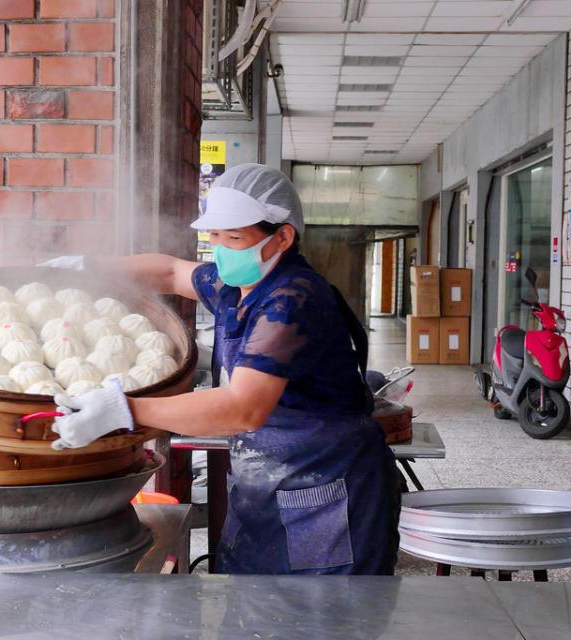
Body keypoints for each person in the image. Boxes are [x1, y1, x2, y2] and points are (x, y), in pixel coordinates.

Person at [44, 163, 400, 575]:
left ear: (282, 237)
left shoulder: (292, 299)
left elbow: (242, 408)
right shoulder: (236, 287)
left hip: (327, 491)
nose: (221, 248)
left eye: (234, 237)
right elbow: (171, 271)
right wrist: (91, 268)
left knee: (324, 620)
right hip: (263, 489)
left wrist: (125, 410)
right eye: (213, 236)